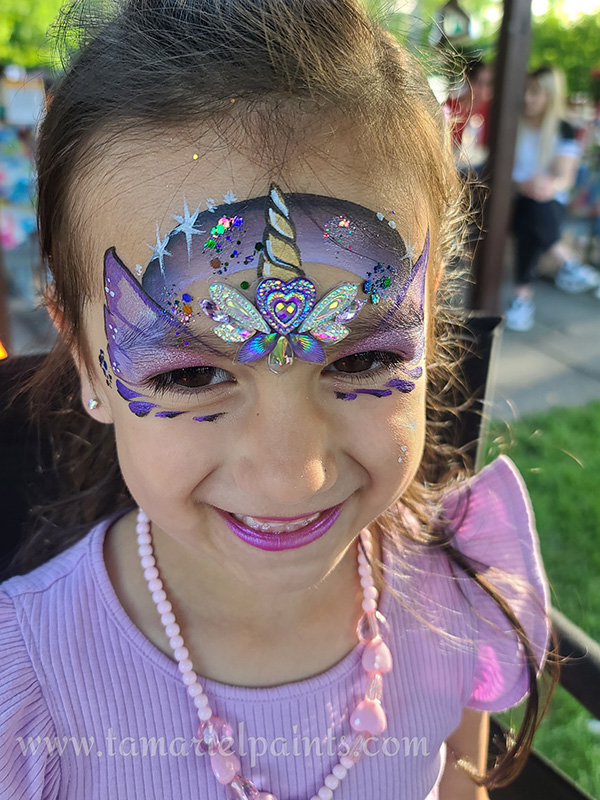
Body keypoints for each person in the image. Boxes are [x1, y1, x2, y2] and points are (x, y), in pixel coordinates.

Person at [0, 2, 553, 798]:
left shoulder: (461, 591)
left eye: (362, 357)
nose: (292, 474)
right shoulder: (30, 689)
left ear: (431, 319)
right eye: (191, 375)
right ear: (89, 363)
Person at [506, 65, 600, 332]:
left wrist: (547, 185)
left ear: (550, 95)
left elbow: (564, 178)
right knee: (531, 211)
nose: (527, 97)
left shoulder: (563, 129)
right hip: (517, 198)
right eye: (526, 90)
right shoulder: (515, 124)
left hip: (547, 203)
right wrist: (523, 184)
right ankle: (567, 262)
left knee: (534, 213)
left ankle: (521, 299)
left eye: (535, 92)